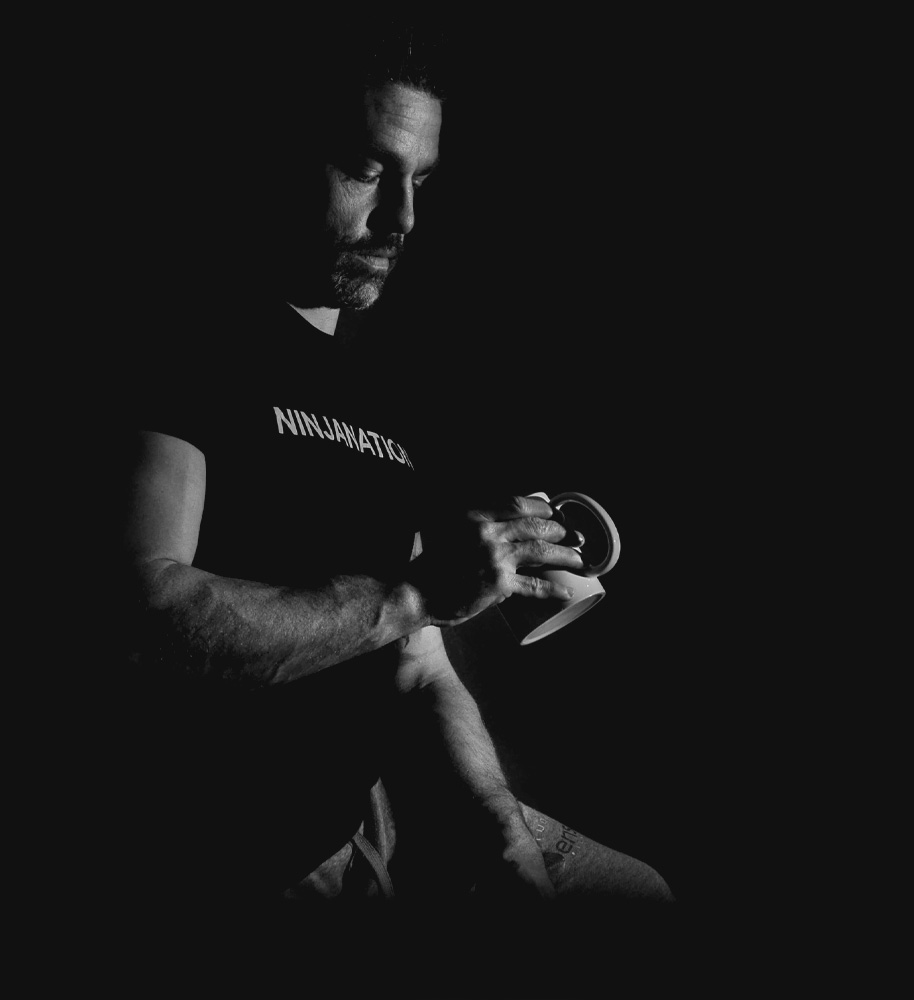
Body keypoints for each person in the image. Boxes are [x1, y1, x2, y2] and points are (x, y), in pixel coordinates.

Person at [114, 29, 673, 950]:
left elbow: (417, 666)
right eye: (367, 171)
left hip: (377, 823)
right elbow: (141, 611)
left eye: (422, 180)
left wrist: (497, 830)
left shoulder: (386, 394)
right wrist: (417, 593)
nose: (403, 216)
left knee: (642, 902)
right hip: (224, 860)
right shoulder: (177, 336)